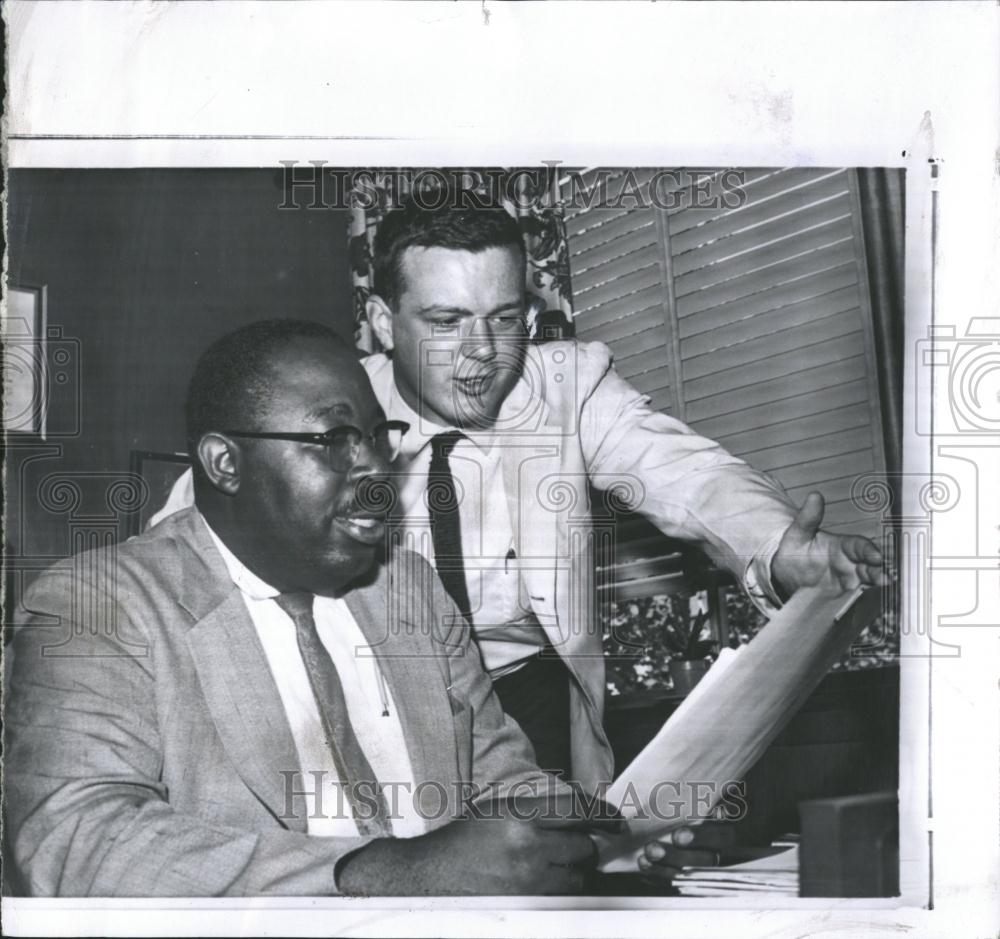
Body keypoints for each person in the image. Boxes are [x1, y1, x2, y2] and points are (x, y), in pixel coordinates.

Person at [151, 203, 887, 795]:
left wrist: (783, 546)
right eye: (445, 321)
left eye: (503, 318)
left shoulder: (564, 387)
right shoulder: (331, 411)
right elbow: (191, 538)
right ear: (381, 322)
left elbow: (686, 472)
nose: (481, 351)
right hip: (379, 692)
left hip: (527, 693)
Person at [4, 320, 616, 898]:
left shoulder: (410, 590)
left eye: (379, 436)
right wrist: (384, 872)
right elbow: (73, 842)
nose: (376, 467)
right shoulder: (100, 608)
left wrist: (623, 840)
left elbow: (501, 782)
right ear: (225, 463)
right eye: (334, 440)